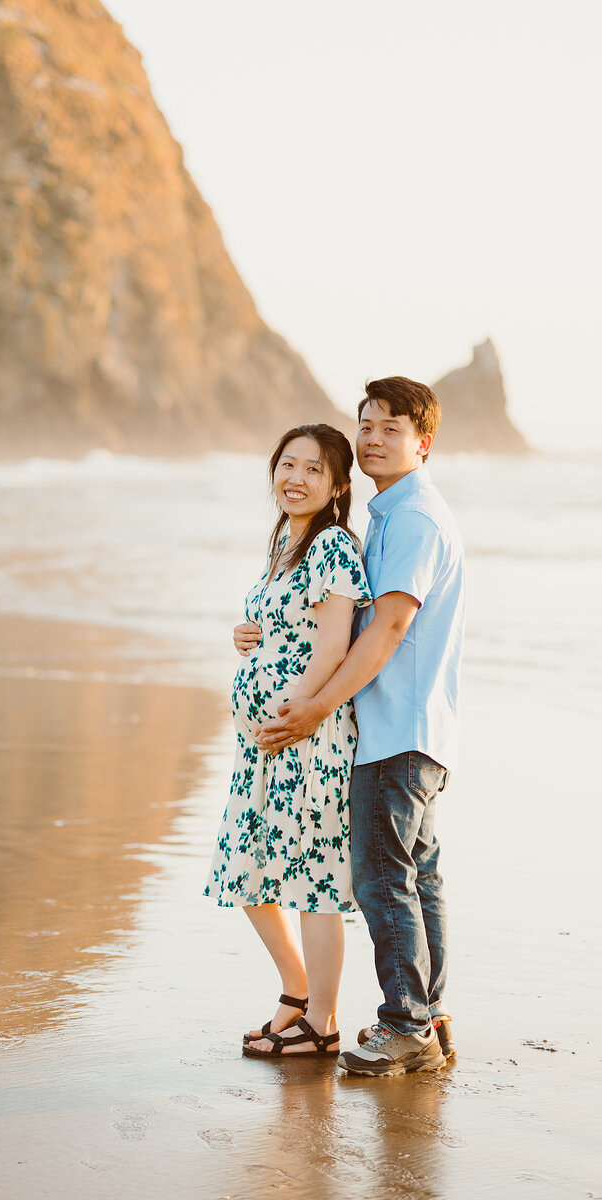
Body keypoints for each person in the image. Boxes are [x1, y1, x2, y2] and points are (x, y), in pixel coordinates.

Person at [254, 377, 465, 1076]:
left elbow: (388, 631)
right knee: (415, 878)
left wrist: (316, 707)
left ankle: (404, 1025)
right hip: (413, 728)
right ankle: (427, 1017)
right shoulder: (391, 514)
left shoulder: (412, 519)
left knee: (382, 881)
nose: (373, 438)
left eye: (391, 429)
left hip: (395, 731)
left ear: (422, 444)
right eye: (366, 425)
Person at [204, 423, 372, 1059]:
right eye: (287, 464)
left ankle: (321, 1022)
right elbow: (284, 624)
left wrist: (297, 709)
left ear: (336, 487)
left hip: (307, 738)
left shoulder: (330, 547)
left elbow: (334, 644)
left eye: (313, 469)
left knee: (312, 880)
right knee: (250, 871)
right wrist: (248, 637)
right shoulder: (284, 544)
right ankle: (296, 995)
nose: (295, 478)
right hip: (262, 743)